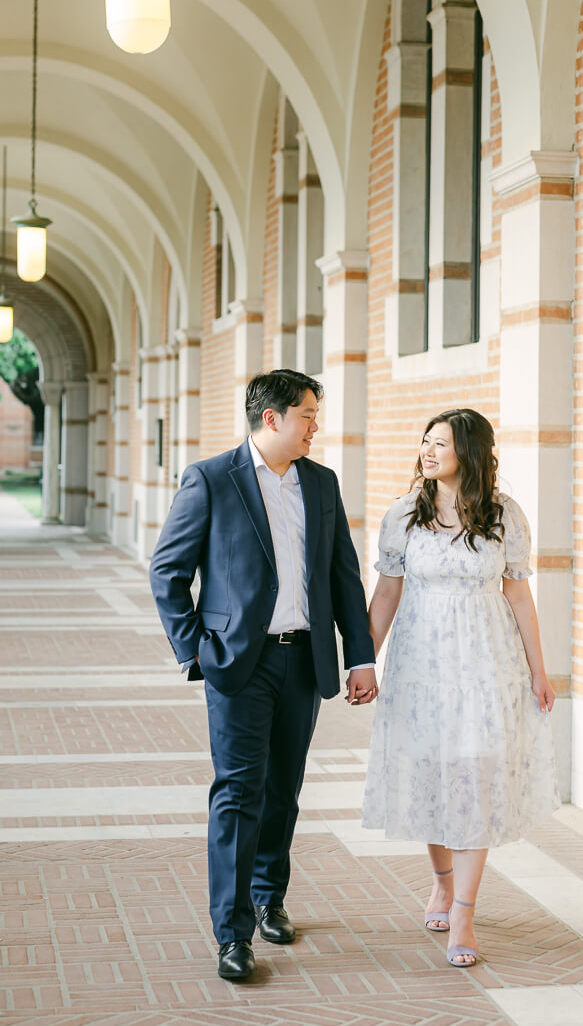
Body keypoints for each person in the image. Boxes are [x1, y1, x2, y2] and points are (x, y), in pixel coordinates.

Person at [149, 369, 378, 981]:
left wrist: (360, 656)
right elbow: (167, 572)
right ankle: (232, 934)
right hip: (238, 665)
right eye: (307, 415)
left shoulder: (322, 484)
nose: (315, 427)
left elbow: (344, 577)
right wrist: (194, 647)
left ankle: (267, 894)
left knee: (284, 788)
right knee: (237, 792)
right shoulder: (211, 479)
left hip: (303, 660)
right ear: (272, 418)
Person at [361, 408, 560, 967]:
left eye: (440, 443)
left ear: (469, 452)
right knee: (432, 774)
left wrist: (539, 672)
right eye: (424, 441)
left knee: (476, 777)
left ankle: (465, 916)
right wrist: (362, 663)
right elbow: (386, 595)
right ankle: (442, 883)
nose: (427, 451)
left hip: (487, 665)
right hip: (422, 665)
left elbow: (519, 596)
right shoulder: (403, 515)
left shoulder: (504, 516)